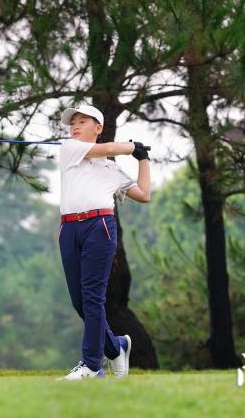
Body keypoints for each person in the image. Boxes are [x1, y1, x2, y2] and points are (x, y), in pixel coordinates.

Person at [57, 104, 151, 380]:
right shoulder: (69, 149)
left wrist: (143, 158)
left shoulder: (111, 170)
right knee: (79, 302)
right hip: (69, 229)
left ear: (98, 128)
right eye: (72, 122)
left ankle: (91, 365)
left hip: (99, 227)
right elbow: (109, 149)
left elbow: (144, 194)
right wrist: (130, 146)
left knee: (92, 298)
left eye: (83, 121)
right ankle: (116, 345)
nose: (75, 126)